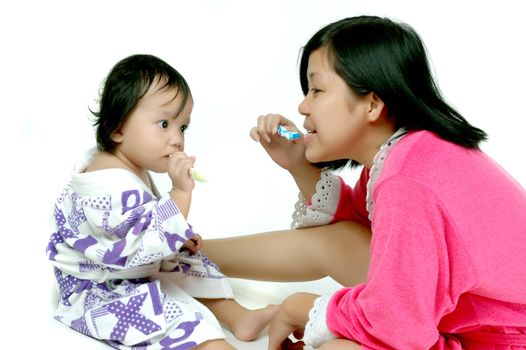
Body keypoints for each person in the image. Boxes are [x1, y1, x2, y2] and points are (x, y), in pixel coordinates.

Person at [202, 16, 526, 349]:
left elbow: (397, 325)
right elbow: (359, 234)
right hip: (459, 312)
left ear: (372, 103)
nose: (302, 105)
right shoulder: (406, 155)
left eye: (316, 90)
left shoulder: (407, 180)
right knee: (338, 239)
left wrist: (305, 307)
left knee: (336, 347)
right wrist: (298, 164)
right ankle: (187, 252)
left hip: (503, 339)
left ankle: (182, 257)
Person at [45, 54, 276, 350]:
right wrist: (179, 194)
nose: (177, 139)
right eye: (164, 123)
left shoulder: (130, 166)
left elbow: (147, 229)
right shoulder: (106, 184)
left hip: (134, 265)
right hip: (100, 288)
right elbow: (138, 244)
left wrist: (179, 236)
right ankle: (210, 345)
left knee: (189, 261)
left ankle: (238, 316)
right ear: (117, 128)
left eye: (183, 127)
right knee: (166, 316)